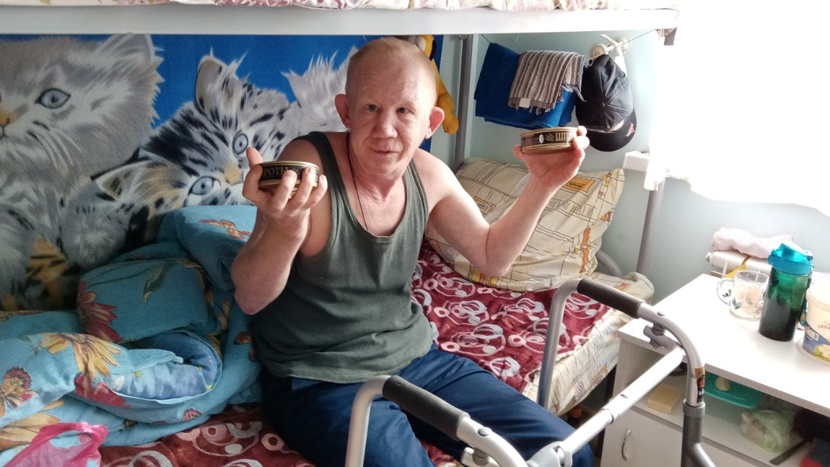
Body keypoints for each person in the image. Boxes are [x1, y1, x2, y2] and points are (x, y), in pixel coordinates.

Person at [231, 37, 593, 467]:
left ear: (430, 122)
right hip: (318, 376)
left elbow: (492, 256)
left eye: (404, 111)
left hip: (415, 358)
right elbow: (250, 297)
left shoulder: (428, 174)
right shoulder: (308, 165)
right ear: (346, 111)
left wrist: (542, 185)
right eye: (371, 108)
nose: (385, 128)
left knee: (568, 453)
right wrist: (285, 229)